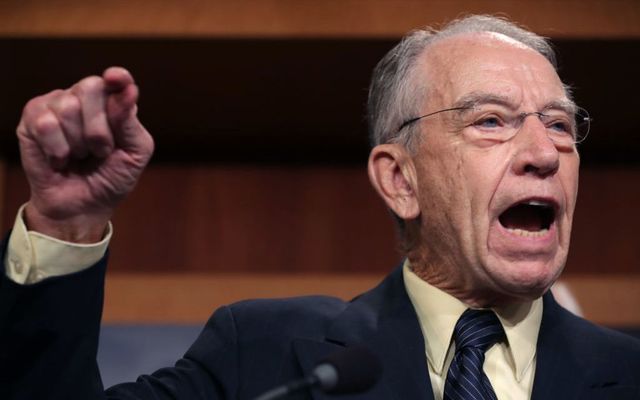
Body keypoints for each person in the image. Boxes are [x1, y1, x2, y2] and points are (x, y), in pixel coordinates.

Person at [1, 15, 639, 400]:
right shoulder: (264, 355)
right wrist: (64, 224)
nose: (544, 153)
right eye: (492, 121)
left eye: (559, 125)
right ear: (400, 180)